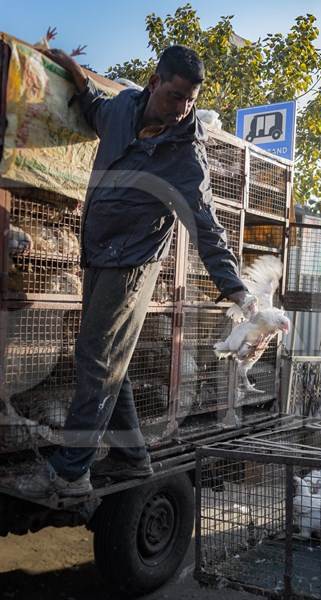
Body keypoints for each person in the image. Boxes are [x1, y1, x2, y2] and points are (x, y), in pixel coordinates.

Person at [18, 45, 255, 498]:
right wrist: (72, 70)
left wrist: (237, 291)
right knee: (111, 360)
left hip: (133, 264)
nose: (182, 107)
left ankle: (72, 471)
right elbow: (92, 110)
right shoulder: (124, 109)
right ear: (153, 83)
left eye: (190, 98)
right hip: (97, 253)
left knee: (95, 355)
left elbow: (206, 225)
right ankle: (131, 455)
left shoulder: (186, 154)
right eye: (174, 95)